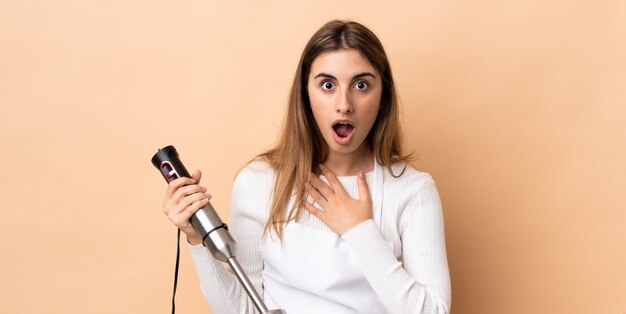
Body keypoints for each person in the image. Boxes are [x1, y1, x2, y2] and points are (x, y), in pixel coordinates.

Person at [162, 20, 451, 314]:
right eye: (327, 85)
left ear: (383, 96)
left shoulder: (412, 190)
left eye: (361, 85)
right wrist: (197, 239)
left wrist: (359, 230)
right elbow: (242, 309)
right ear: (305, 94)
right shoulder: (260, 181)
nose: (344, 104)